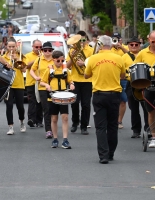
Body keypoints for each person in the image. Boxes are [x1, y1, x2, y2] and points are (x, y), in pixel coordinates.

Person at [84, 35, 125, 164]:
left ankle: (103, 155)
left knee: (100, 127)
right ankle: (111, 153)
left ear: (100, 45)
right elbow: (123, 75)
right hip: (114, 95)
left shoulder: (93, 58)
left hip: (99, 95)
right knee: (113, 125)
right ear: (111, 45)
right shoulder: (118, 58)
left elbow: (86, 75)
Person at [40, 50, 75, 149]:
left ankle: (65, 140)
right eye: (58, 61)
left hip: (63, 96)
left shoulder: (66, 70)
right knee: (54, 119)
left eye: (62, 61)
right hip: (53, 97)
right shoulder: (49, 69)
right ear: (53, 60)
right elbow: (42, 82)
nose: (60, 63)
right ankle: (55, 139)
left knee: (65, 117)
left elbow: (70, 80)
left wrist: (72, 84)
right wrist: (46, 85)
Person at [66, 31, 93, 135]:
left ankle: (84, 126)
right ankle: (75, 122)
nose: (81, 42)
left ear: (86, 39)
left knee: (86, 104)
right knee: (75, 103)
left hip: (87, 80)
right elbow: (67, 66)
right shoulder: (72, 50)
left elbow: (93, 64)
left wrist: (84, 63)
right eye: (79, 40)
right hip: (75, 80)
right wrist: (72, 58)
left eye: (83, 39)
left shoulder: (91, 50)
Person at [122, 36, 149, 138]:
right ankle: (136, 130)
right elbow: (121, 71)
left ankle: (148, 129)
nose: (134, 46)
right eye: (131, 45)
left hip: (143, 83)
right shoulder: (124, 57)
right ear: (128, 45)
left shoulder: (144, 55)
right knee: (134, 108)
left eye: (136, 45)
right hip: (130, 83)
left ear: (139, 45)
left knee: (146, 107)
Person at [30, 42, 55, 138]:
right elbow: (32, 70)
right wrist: (35, 77)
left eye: (49, 50)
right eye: (45, 50)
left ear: (52, 51)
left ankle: (53, 128)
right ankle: (48, 130)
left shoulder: (55, 59)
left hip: (54, 87)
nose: (47, 52)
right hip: (42, 87)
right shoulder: (39, 59)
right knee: (46, 108)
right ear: (42, 51)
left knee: (54, 109)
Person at [3, 38, 27, 135]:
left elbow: (24, 70)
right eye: (10, 46)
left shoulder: (21, 56)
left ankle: (22, 122)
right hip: (8, 84)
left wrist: (17, 60)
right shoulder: (3, 57)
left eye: (13, 46)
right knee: (9, 105)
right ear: (6, 47)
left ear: (16, 46)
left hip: (19, 84)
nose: (12, 48)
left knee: (20, 106)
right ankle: (10, 126)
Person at [110, 33, 129, 129]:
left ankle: (119, 120)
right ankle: (112, 120)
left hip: (122, 78)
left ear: (121, 39)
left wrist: (121, 47)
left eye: (117, 39)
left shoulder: (125, 48)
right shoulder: (109, 49)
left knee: (123, 100)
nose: (116, 41)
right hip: (111, 78)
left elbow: (131, 56)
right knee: (111, 101)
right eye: (114, 39)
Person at [25, 40, 43, 128]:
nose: (39, 49)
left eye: (40, 47)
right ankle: (31, 119)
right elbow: (26, 66)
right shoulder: (28, 55)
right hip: (31, 81)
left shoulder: (45, 55)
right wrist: (37, 59)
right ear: (33, 47)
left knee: (40, 101)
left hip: (41, 82)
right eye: (36, 47)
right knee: (32, 101)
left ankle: (39, 120)